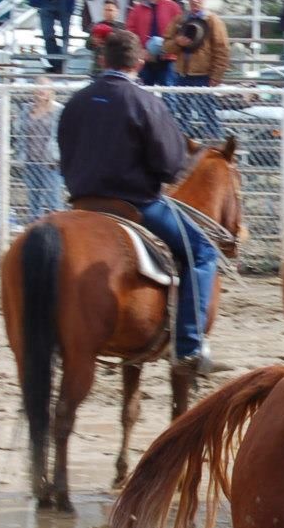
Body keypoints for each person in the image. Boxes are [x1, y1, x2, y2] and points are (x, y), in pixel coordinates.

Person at [57, 30, 220, 372]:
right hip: (135, 205)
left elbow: (66, 155)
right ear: (140, 63)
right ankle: (189, 346)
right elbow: (170, 165)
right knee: (203, 251)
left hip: (83, 203)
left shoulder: (77, 101)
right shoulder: (145, 102)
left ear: (103, 60)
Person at [163, 0, 230, 140]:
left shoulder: (212, 21)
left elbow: (222, 48)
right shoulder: (179, 20)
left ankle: (215, 144)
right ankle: (182, 145)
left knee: (208, 113)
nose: (195, 1)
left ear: (204, 0)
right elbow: (166, 45)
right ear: (188, 1)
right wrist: (177, 43)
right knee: (182, 114)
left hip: (204, 75)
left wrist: (216, 75)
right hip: (182, 75)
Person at [129, 0, 182, 87]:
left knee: (170, 93)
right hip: (145, 59)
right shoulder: (137, 9)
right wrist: (140, 51)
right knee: (144, 92)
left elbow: (181, 31)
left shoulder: (173, 7)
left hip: (168, 57)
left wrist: (170, 48)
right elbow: (131, 32)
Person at [22, 85, 62, 221]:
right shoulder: (27, 109)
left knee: (53, 201)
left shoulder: (58, 110)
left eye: (44, 88)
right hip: (31, 160)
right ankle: (35, 229)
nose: (40, 92)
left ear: (51, 91)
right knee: (34, 200)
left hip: (51, 162)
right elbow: (20, 131)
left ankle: (57, 231)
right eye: (38, 88)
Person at [89, 0, 125, 71]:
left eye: (110, 10)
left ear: (117, 12)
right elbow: (88, 45)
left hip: (117, 66)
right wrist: (93, 41)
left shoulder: (122, 28)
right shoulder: (95, 26)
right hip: (98, 67)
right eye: (105, 10)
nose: (108, 12)